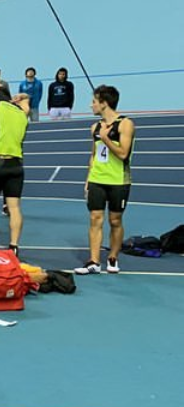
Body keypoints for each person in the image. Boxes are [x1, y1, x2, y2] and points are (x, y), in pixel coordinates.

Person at [75, 85, 134, 275]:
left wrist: (107, 139)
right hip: (97, 179)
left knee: (115, 220)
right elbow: (94, 155)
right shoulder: (95, 127)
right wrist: (88, 179)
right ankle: (93, 261)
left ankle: (113, 257)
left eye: (94, 101)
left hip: (119, 181)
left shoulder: (125, 124)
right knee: (95, 219)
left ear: (104, 103)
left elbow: (123, 154)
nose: (91, 105)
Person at [0, 90, 31, 253]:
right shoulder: (22, 113)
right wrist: (20, 98)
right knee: (14, 208)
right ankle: (14, 245)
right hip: (16, 165)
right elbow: (26, 100)